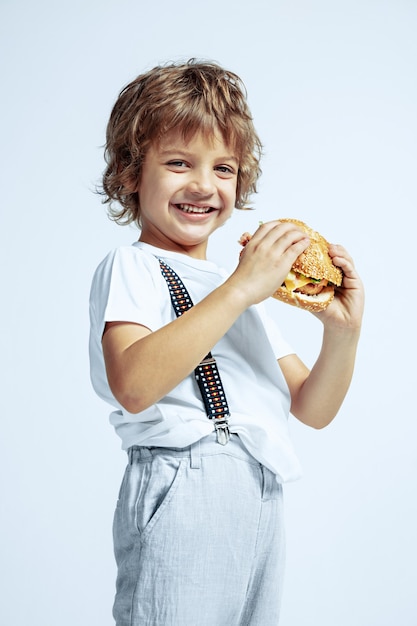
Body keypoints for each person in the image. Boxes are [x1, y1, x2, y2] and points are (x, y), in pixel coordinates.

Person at [89, 59, 364, 626]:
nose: (203, 185)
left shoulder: (239, 288)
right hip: (183, 483)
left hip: (260, 492)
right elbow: (135, 386)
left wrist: (342, 332)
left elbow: (312, 409)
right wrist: (241, 288)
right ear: (129, 174)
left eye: (224, 168)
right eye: (178, 163)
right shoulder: (134, 267)